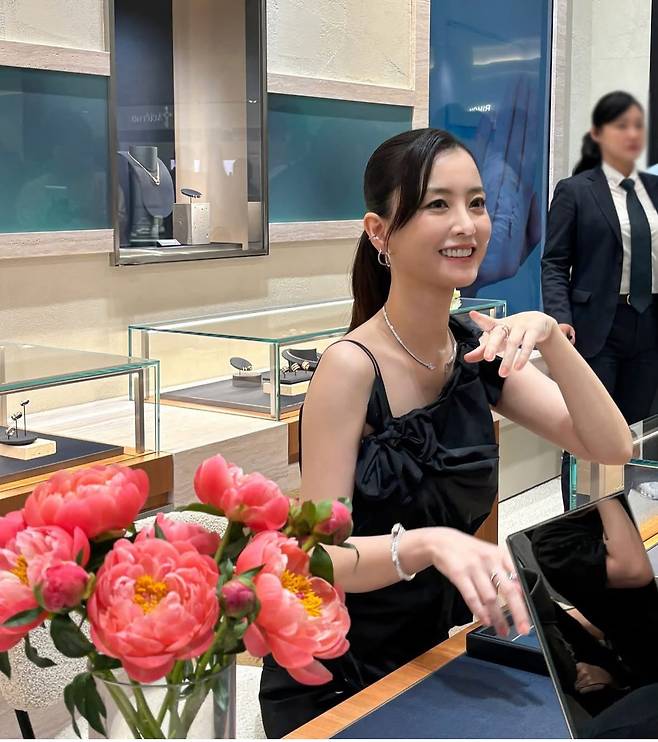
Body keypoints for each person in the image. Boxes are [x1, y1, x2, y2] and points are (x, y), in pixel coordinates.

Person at [259, 128, 632, 738]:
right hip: (343, 674)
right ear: (379, 232)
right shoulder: (350, 367)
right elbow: (319, 558)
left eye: (476, 203)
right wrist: (427, 544)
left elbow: (609, 445)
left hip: (439, 653)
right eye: (438, 204)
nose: (467, 224)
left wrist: (550, 337)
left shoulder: (472, 348)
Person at [542, 92, 658, 510]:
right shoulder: (576, 190)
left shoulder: (654, 189)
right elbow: (555, 262)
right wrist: (560, 316)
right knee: (589, 431)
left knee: (636, 430)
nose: (630, 134)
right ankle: (580, 520)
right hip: (596, 328)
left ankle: (628, 515)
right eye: (619, 126)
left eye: (636, 126)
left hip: (649, 324)